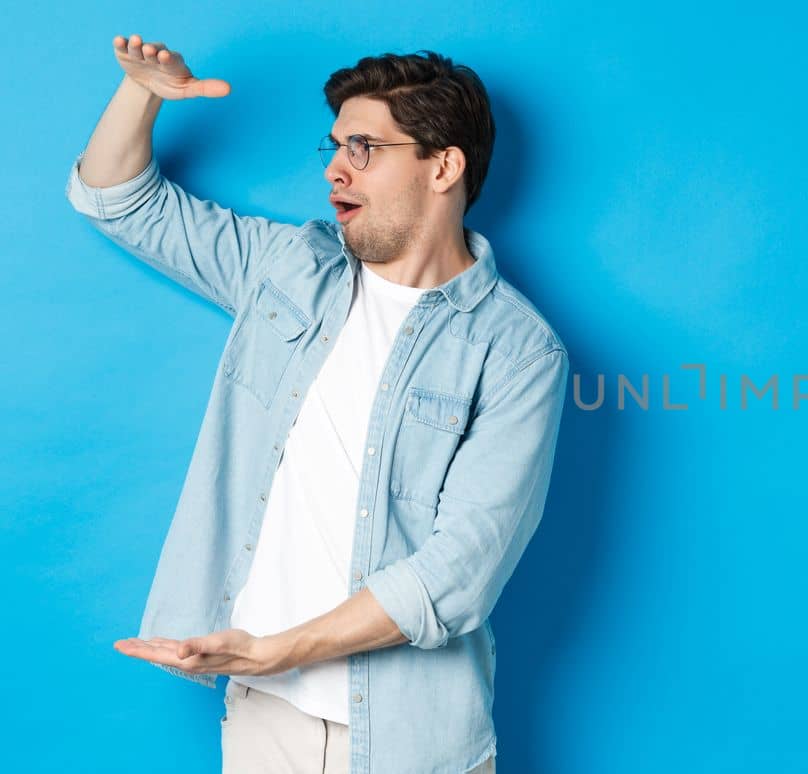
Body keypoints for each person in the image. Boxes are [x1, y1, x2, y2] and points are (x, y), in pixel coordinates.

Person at [67, 34, 570, 774]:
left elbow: (457, 575)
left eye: (364, 147)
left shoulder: (519, 351)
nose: (335, 168)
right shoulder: (289, 268)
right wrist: (142, 92)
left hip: (415, 738)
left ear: (443, 166)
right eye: (335, 146)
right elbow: (117, 202)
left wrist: (278, 649)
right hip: (266, 719)